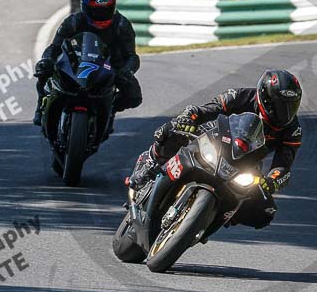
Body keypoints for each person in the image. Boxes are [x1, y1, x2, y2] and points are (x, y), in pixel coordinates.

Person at [128, 69, 303, 229]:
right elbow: (207, 110)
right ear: (265, 97)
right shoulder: (241, 96)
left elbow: (284, 164)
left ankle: (211, 218)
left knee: (265, 212)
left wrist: (272, 181)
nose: (285, 112)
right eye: (281, 105)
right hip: (215, 138)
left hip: (246, 163)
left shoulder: (293, 130)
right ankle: (149, 162)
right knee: (173, 131)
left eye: (291, 106)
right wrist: (189, 117)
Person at [33, 0, 142, 127]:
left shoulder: (122, 25)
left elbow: (132, 56)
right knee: (44, 70)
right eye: (96, 11)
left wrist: (126, 71)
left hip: (110, 67)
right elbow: (55, 47)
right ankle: (41, 104)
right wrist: (46, 60)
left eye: (106, 10)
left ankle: (110, 108)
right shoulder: (73, 22)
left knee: (134, 96)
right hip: (77, 63)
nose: (101, 16)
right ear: (85, 8)